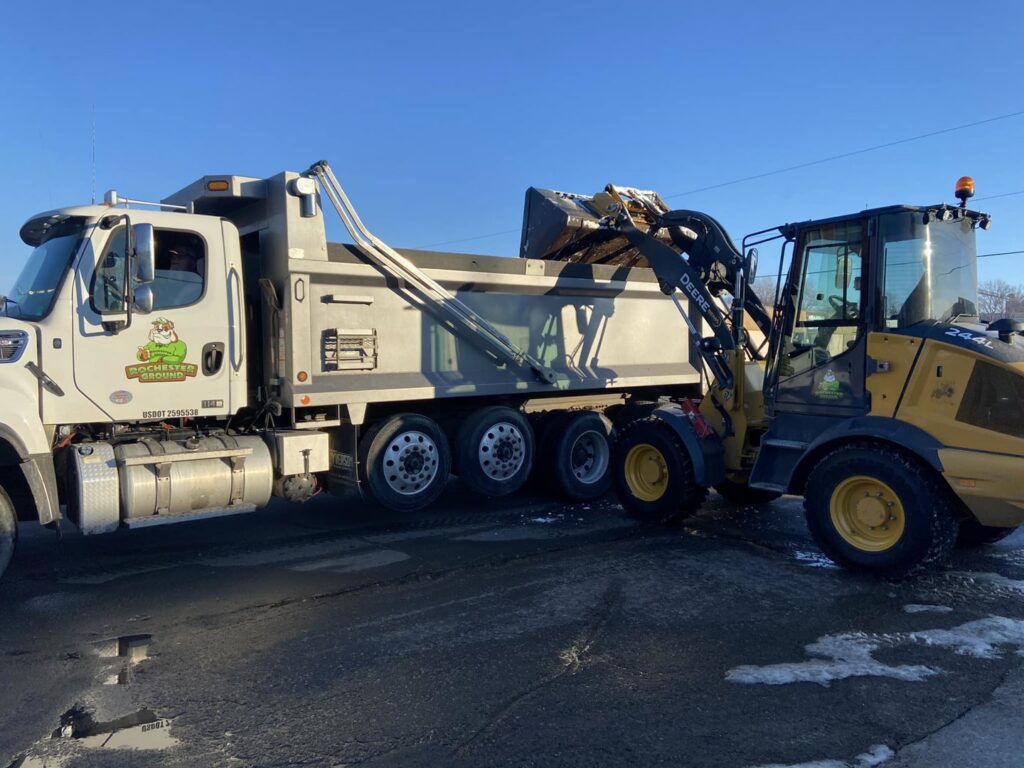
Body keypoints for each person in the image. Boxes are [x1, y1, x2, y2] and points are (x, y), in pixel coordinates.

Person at [152, 243, 203, 308]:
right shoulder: (162, 283)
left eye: (182, 255)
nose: (176, 259)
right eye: (173, 255)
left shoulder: (198, 289)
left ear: (193, 263)